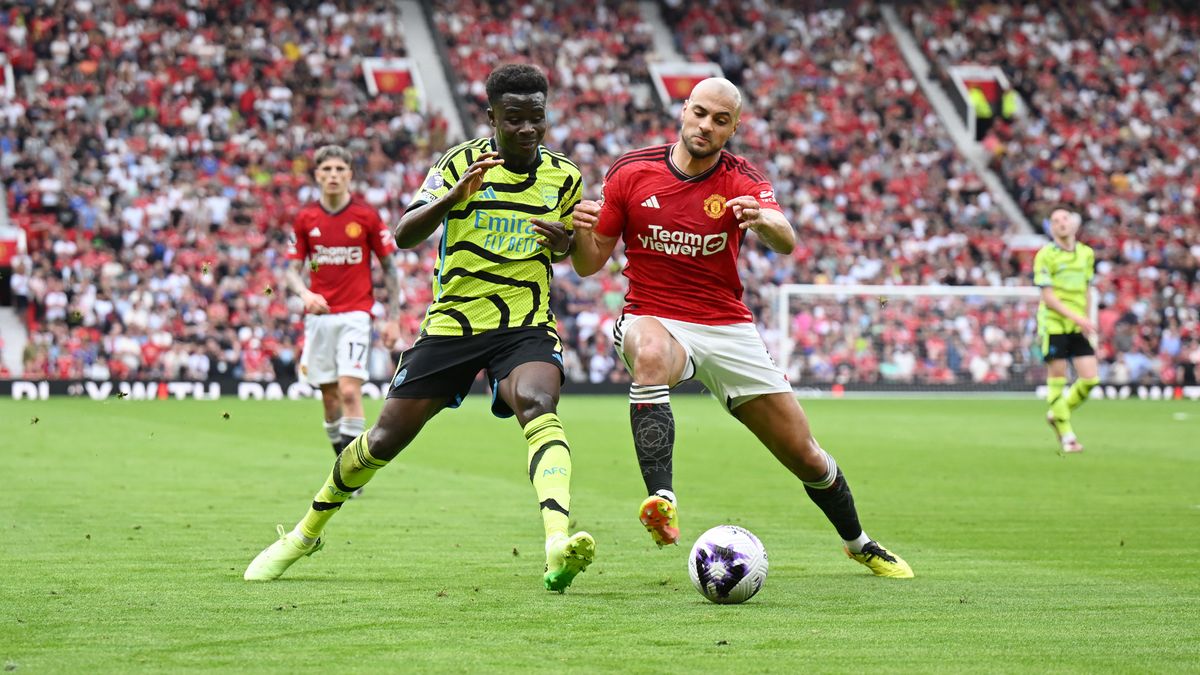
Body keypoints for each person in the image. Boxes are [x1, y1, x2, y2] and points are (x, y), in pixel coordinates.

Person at [246, 64, 596, 592]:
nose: (528, 129)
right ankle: (304, 534)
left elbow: (572, 250)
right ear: (492, 119)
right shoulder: (459, 162)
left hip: (525, 323)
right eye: (514, 119)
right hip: (453, 324)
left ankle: (556, 542)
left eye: (536, 118)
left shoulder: (564, 177)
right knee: (384, 438)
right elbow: (406, 233)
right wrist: (453, 197)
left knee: (539, 405)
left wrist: (564, 242)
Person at [570, 78, 913, 578]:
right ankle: (662, 501)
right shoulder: (631, 170)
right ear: (684, 111)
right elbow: (588, 264)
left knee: (807, 457)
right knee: (647, 353)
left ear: (734, 128)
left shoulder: (741, 178)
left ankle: (858, 543)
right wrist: (579, 233)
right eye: (701, 113)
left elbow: (786, 239)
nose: (706, 126)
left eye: (720, 119)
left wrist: (761, 219)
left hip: (726, 326)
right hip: (655, 316)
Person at [285, 145, 403, 473]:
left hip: (356, 314)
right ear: (317, 175)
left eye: (340, 169)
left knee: (350, 391)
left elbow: (390, 269)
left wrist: (394, 319)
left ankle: (353, 472)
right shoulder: (306, 218)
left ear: (350, 174)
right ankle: (343, 461)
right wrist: (305, 294)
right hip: (319, 317)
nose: (334, 175)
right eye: (327, 170)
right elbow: (290, 271)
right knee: (330, 399)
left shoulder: (366, 216)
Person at [1034, 206, 1098, 453]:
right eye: (1055, 220)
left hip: (1078, 324)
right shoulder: (1045, 255)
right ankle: (1067, 436)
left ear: (1073, 225)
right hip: (1054, 324)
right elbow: (1048, 296)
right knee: (1057, 380)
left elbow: (1087, 290)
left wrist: (1089, 321)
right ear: (1051, 228)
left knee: (1091, 379)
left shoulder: (1086, 254)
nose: (1060, 223)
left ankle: (1057, 412)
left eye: (1064, 219)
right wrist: (1078, 318)